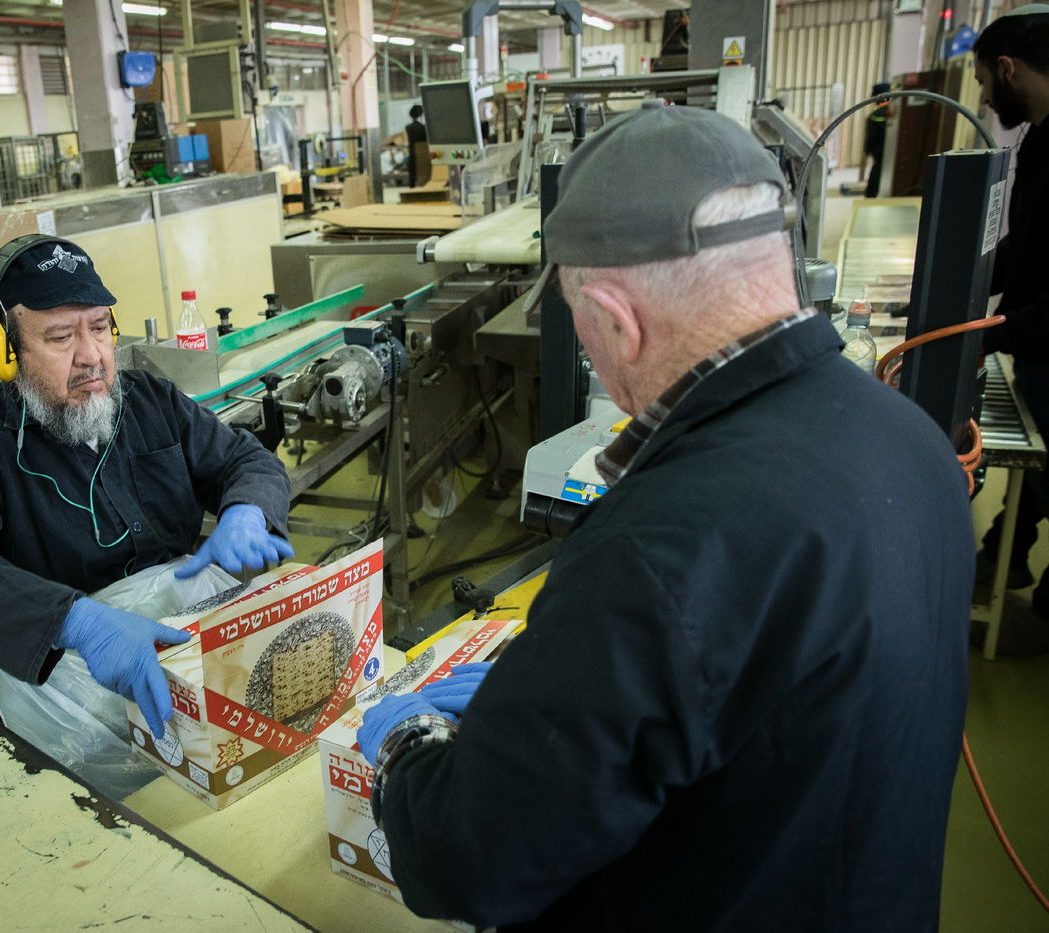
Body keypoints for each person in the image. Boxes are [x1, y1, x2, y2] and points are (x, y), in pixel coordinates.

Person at [356, 103, 973, 930]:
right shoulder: (910, 438)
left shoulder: (664, 545)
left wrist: (411, 745)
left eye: (582, 329)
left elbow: (468, 863)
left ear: (616, 318)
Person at [0, 235, 294, 736]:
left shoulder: (151, 402)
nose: (92, 356)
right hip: (62, 694)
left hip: (182, 656)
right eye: (61, 338)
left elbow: (243, 459)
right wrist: (75, 623)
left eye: (100, 328)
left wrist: (248, 510)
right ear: (6, 351)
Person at [971, 5, 1049, 623]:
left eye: (982, 80)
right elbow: (1027, 247)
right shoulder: (1041, 140)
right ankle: (1003, 559)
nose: (984, 95)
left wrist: (991, 334)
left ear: (1008, 67)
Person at [863, 81, 891, 198]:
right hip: (892, 154)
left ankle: (870, 196)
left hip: (879, 154)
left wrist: (867, 151)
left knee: (876, 176)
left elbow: (872, 137)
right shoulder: (895, 112)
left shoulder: (875, 115)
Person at [404, 103, 427, 187]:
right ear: (421, 115)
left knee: (412, 173)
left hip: (412, 152)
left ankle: (412, 188)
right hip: (423, 154)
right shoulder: (423, 128)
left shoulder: (408, 127)